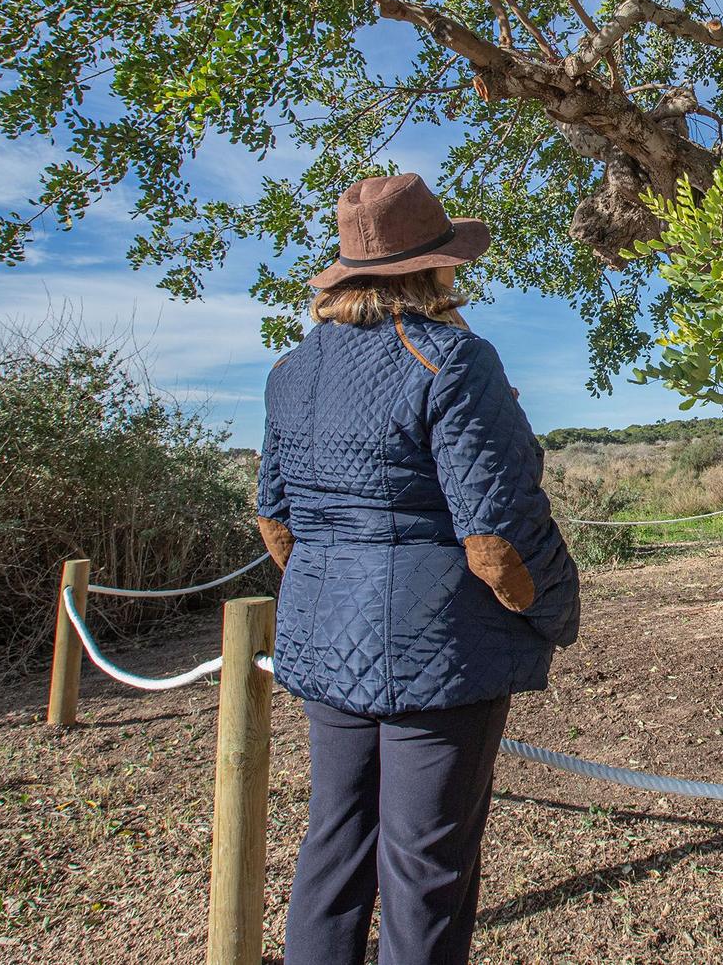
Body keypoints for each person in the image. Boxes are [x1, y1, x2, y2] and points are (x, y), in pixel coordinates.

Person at [254, 173, 581, 965]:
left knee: (331, 846)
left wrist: (337, 598)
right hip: (440, 650)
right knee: (427, 867)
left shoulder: (289, 372)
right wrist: (555, 611)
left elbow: (275, 521)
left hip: (325, 642)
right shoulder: (454, 360)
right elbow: (496, 540)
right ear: (433, 266)